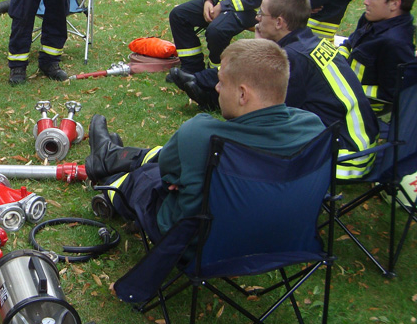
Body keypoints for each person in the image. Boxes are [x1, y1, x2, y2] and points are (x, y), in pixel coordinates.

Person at [85, 39, 325, 242]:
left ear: (242, 94)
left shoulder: (203, 134)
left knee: (146, 177)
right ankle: (110, 156)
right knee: (181, 164)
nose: (217, 88)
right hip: (280, 238)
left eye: (221, 81)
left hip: (200, 242)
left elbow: (167, 174)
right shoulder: (313, 128)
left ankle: (110, 177)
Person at [170, 0, 379, 178]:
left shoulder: (293, 59)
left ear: (279, 22)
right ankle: (204, 90)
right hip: (362, 146)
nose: (256, 18)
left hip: (346, 158)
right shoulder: (307, 44)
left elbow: (264, 119)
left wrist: (259, 48)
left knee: (236, 156)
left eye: (261, 13)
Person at [338, 0, 416, 108]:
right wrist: (336, 61)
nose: (365, 2)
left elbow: (391, 94)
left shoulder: (396, 44)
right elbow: (350, 43)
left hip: (357, 105)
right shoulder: (370, 19)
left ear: (394, 4)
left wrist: (346, 88)